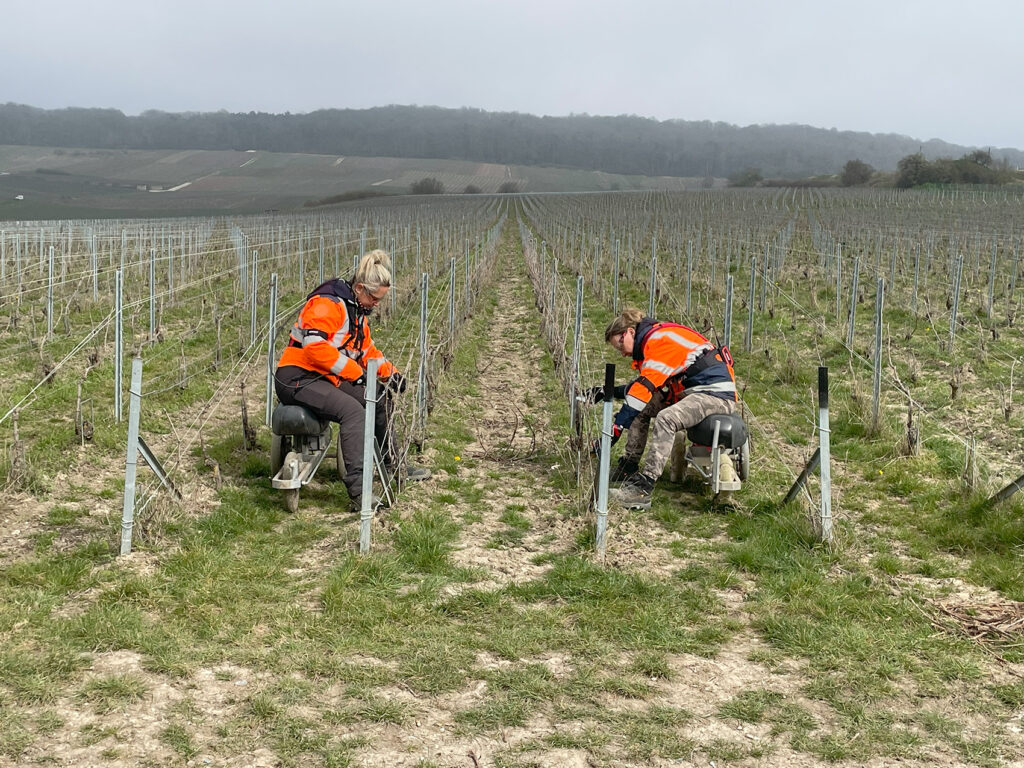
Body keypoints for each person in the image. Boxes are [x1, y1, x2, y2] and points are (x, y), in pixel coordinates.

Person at [274, 249, 430, 510]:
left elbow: (367, 352)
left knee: (379, 397)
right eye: (375, 298)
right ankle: (359, 493)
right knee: (353, 412)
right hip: (298, 376)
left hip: (325, 377)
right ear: (360, 288)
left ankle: (394, 467)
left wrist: (391, 374)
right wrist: (357, 374)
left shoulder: (356, 312)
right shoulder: (327, 303)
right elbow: (315, 347)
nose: (377, 304)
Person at [601, 307, 737, 510]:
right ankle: (628, 467)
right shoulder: (655, 339)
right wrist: (605, 392)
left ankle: (643, 488)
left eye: (620, 344)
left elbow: (644, 387)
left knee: (666, 418)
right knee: (643, 407)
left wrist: (618, 427)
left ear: (630, 331)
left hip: (714, 394)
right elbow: (647, 386)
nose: (622, 353)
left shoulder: (658, 341)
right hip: (693, 391)